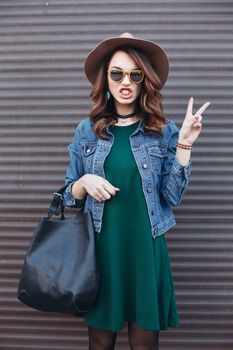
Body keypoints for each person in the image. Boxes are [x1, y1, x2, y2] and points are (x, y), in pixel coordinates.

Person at [63, 32, 210, 350]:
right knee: (100, 344)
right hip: (102, 253)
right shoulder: (87, 131)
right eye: (117, 73)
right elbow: (66, 196)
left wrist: (184, 143)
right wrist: (83, 183)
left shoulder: (164, 131)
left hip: (145, 251)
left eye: (135, 74)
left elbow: (171, 198)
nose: (125, 81)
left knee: (144, 345)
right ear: (106, 79)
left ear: (146, 80)